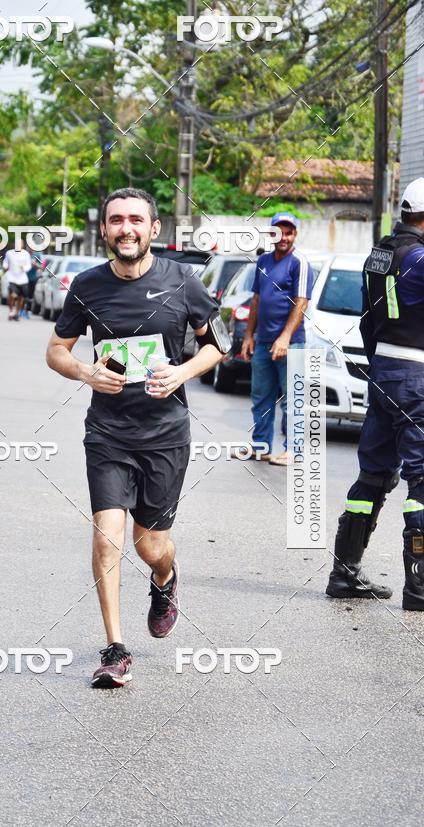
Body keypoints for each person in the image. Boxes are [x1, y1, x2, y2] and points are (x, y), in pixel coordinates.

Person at [46, 188, 225, 688]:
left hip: (165, 435)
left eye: (136, 220)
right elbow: (56, 350)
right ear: (104, 229)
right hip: (108, 433)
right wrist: (85, 371)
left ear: (154, 228)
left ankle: (165, 578)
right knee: (107, 536)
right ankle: (115, 648)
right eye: (116, 220)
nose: (126, 228)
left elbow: (218, 345)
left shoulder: (182, 280)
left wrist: (182, 372)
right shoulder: (87, 285)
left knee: (150, 546)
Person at [326, 177, 424, 611]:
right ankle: (419, 589)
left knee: (375, 475)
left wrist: (381, 366)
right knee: (421, 481)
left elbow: (368, 319)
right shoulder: (419, 258)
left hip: (385, 371)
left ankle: (344, 573)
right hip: (416, 374)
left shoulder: (380, 253)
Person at [240, 212, 314, 466]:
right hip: (263, 341)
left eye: (289, 232)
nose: (284, 237)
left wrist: (284, 338)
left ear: (295, 234)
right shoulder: (263, 261)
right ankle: (261, 447)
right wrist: (248, 335)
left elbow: (301, 302)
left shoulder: (299, 262)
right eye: (278, 232)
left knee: (293, 400)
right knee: (261, 397)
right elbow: (257, 300)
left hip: (291, 344)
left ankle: (293, 450)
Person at [3, 238, 32, 321]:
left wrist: (24, 268)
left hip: (22, 279)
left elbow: (28, 265)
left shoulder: (26, 254)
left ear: (22, 245)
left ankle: (16, 313)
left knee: (21, 297)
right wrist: (5, 266)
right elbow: (5, 262)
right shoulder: (9, 253)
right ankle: (11, 311)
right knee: (13, 295)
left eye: (20, 244)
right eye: (16, 244)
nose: (18, 245)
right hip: (12, 277)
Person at [23, 252, 42, 317]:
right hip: (23, 278)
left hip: (33, 279)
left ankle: (28, 311)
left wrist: (35, 264)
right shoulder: (24, 253)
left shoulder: (37, 255)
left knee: (30, 296)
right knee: (23, 294)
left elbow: (41, 266)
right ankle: (21, 310)